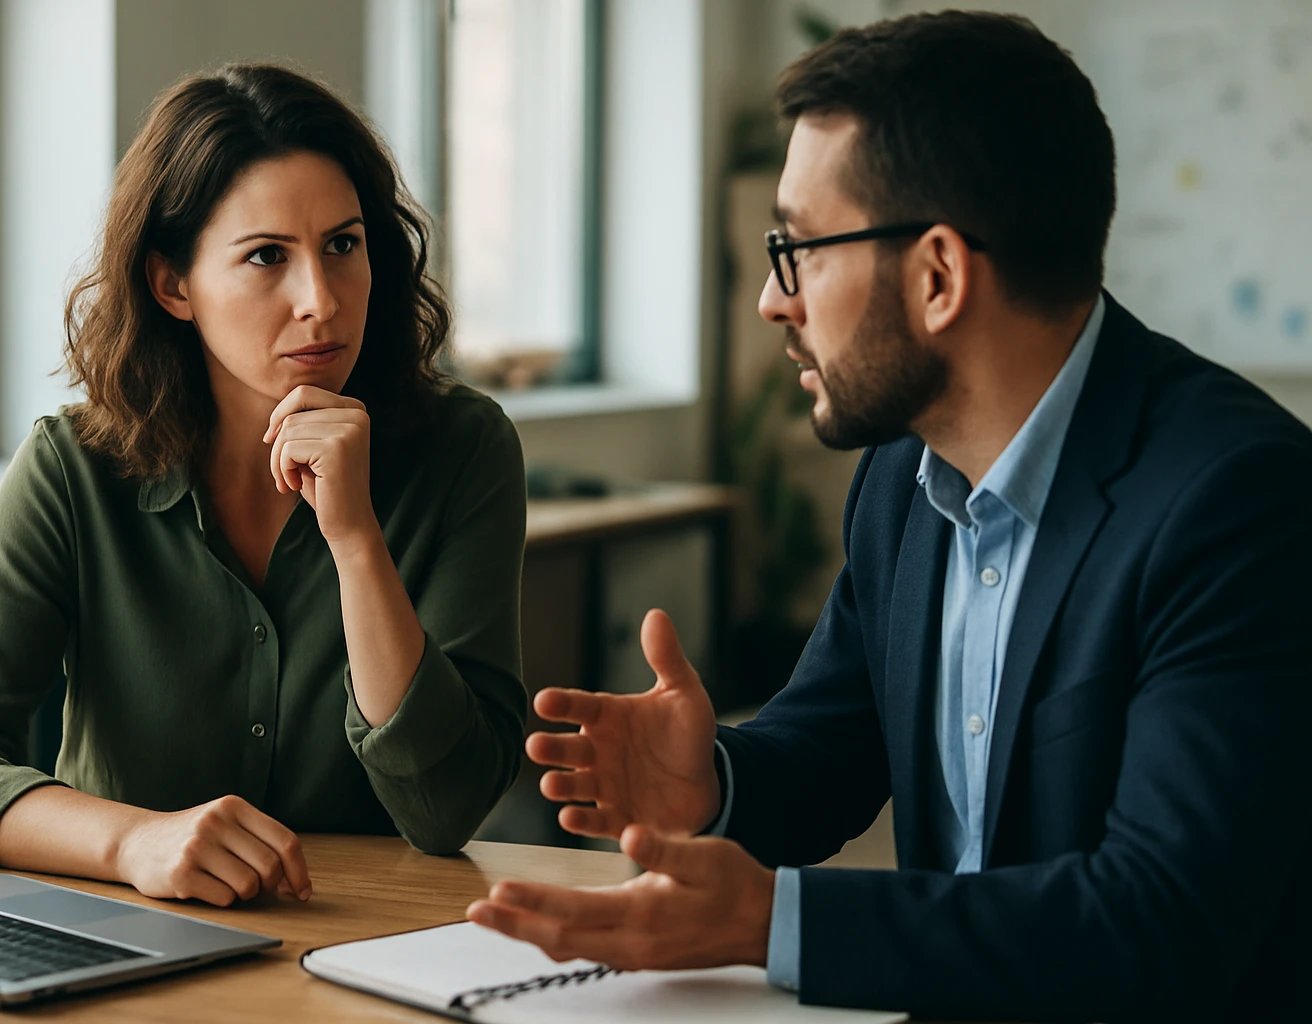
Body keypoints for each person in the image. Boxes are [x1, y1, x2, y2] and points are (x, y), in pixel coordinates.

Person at [467, 11, 1312, 1022]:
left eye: (799, 248)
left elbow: (1162, 920)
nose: (773, 300)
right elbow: (831, 748)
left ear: (938, 276)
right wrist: (713, 780)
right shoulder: (904, 472)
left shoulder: (1236, 501)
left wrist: (772, 922)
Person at [0, 64, 527, 908]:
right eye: (267, 256)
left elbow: (447, 807)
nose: (321, 301)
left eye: (343, 245)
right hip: (129, 928)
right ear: (173, 285)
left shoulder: (463, 449)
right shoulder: (72, 468)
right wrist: (132, 841)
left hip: (371, 940)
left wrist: (355, 542)